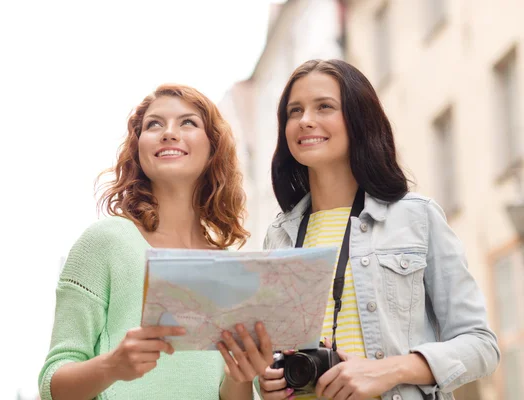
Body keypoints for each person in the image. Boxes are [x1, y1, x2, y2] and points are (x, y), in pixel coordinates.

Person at [218, 59, 500, 400]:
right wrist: (273, 381)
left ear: (358, 119)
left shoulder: (415, 217)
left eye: (324, 107)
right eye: (295, 111)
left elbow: (480, 346)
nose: (306, 120)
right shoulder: (279, 235)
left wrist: (388, 370)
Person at [38, 83, 252, 400]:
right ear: (139, 147)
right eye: (154, 124)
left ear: (213, 148)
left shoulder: (230, 268)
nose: (168, 133)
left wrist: (241, 375)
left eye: (188, 122)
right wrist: (112, 366)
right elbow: (51, 385)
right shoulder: (106, 241)